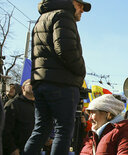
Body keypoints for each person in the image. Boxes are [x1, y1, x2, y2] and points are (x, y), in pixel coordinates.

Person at [23, 0, 91, 154]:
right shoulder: (64, 15)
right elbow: (65, 50)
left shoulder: (42, 18)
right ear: (71, 2)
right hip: (62, 83)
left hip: (41, 82)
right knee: (63, 130)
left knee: (41, 129)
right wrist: (81, 71)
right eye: (80, 5)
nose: (82, 10)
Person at [3, 79, 35, 155]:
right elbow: (5, 129)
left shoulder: (39, 107)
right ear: (23, 88)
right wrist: (12, 149)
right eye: (31, 83)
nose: (35, 86)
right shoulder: (13, 104)